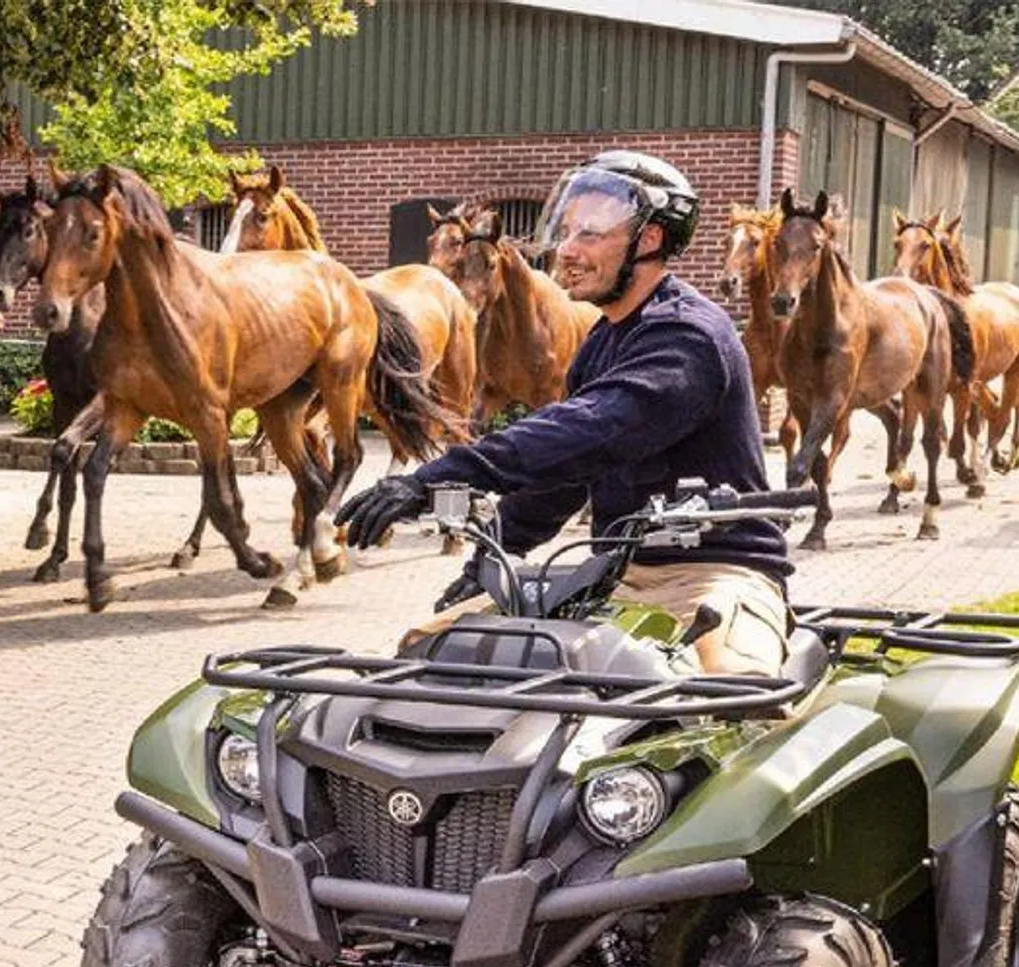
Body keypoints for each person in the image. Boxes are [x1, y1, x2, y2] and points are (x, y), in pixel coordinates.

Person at [337, 150, 792, 676]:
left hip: (717, 575)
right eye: (567, 232)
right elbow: (567, 476)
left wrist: (437, 476)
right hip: (616, 574)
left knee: (728, 699)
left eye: (590, 235)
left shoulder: (688, 338)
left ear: (650, 240)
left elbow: (593, 430)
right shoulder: (601, 342)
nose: (567, 252)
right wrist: (493, 555)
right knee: (429, 653)